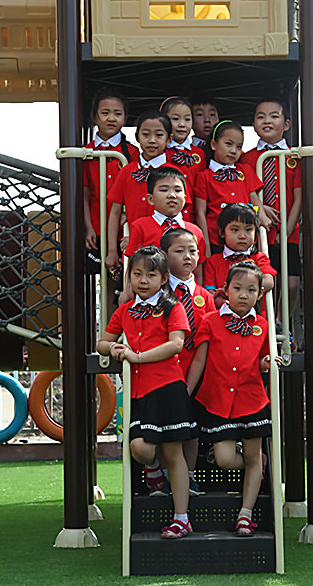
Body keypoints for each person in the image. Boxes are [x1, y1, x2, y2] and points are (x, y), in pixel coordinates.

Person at [96, 246, 197, 539]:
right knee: (140, 448)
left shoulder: (173, 307)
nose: (143, 280)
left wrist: (137, 357)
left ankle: (181, 519)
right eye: (137, 274)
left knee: (173, 453)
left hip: (168, 388)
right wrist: (114, 347)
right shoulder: (124, 310)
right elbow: (102, 342)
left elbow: (176, 344)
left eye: (151, 275)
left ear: (163, 279)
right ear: (129, 277)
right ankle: (153, 470)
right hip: (139, 392)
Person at [186, 261, 272, 537]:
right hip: (218, 401)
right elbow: (199, 360)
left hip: (252, 400)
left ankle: (245, 514)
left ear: (260, 294)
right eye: (237, 288)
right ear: (225, 289)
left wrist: (267, 363)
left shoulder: (263, 325)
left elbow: (262, 360)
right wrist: (186, 393)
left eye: (251, 290)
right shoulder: (210, 321)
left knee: (251, 456)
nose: (244, 295)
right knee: (224, 459)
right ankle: (259, 463)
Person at [161, 227, 216, 495]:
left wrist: (190, 386)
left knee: (191, 427)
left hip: (197, 375)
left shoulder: (206, 297)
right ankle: (163, 476)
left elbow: (209, 341)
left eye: (192, 251)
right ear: (164, 255)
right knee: (166, 428)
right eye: (179, 251)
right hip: (164, 374)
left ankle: (189, 476)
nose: (187, 256)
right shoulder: (159, 295)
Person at [239, 98, 302, 321]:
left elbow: (299, 198)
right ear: (254, 124)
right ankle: (269, 326)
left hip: (288, 231)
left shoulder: (295, 156)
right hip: (259, 232)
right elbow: (244, 192)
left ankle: (284, 322)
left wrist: (286, 231)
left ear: (286, 124)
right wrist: (259, 209)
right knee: (267, 282)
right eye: (261, 117)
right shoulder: (246, 158)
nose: (267, 121)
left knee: (292, 283)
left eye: (274, 116)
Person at [105, 111, 180, 272]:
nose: (152, 140)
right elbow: (115, 212)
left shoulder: (174, 174)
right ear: (137, 137)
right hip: (135, 249)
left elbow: (180, 215)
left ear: (169, 139)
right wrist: (112, 250)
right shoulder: (126, 172)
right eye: (146, 134)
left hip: (166, 249)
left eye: (159, 135)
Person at [121, 167, 207, 302]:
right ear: (150, 198)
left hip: (185, 297)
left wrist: (198, 296)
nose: (172, 195)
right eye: (164, 190)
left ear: (185, 198)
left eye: (177, 190)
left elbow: (198, 269)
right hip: (151, 297)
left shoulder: (195, 231)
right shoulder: (140, 226)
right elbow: (133, 264)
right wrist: (128, 292)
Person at [83, 88, 139, 274]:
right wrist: (88, 227)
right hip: (96, 227)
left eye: (118, 113)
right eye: (105, 113)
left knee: (121, 277)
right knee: (98, 273)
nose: (111, 118)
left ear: (125, 117)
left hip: (123, 229)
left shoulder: (132, 152)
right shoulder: (86, 152)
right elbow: (84, 193)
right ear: (95, 116)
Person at [194, 120, 270, 257]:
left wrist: (262, 216)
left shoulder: (245, 170)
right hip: (217, 240)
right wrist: (205, 246)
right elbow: (200, 213)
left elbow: (254, 199)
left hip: (244, 238)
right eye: (228, 144)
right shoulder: (204, 176)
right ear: (213, 144)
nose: (234, 151)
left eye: (239, 146)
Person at [203, 203, 276, 309]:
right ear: (222, 232)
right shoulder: (213, 262)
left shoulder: (259, 258)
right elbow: (210, 293)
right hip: (224, 314)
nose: (242, 236)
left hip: (254, 316)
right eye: (235, 230)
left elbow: (269, 282)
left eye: (248, 230)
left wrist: (238, 289)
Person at [162, 96, 207, 222]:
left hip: (193, 216)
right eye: (175, 119)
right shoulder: (161, 151)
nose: (182, 124)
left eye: (187, 119)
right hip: (167, 216)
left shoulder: (199, 154)